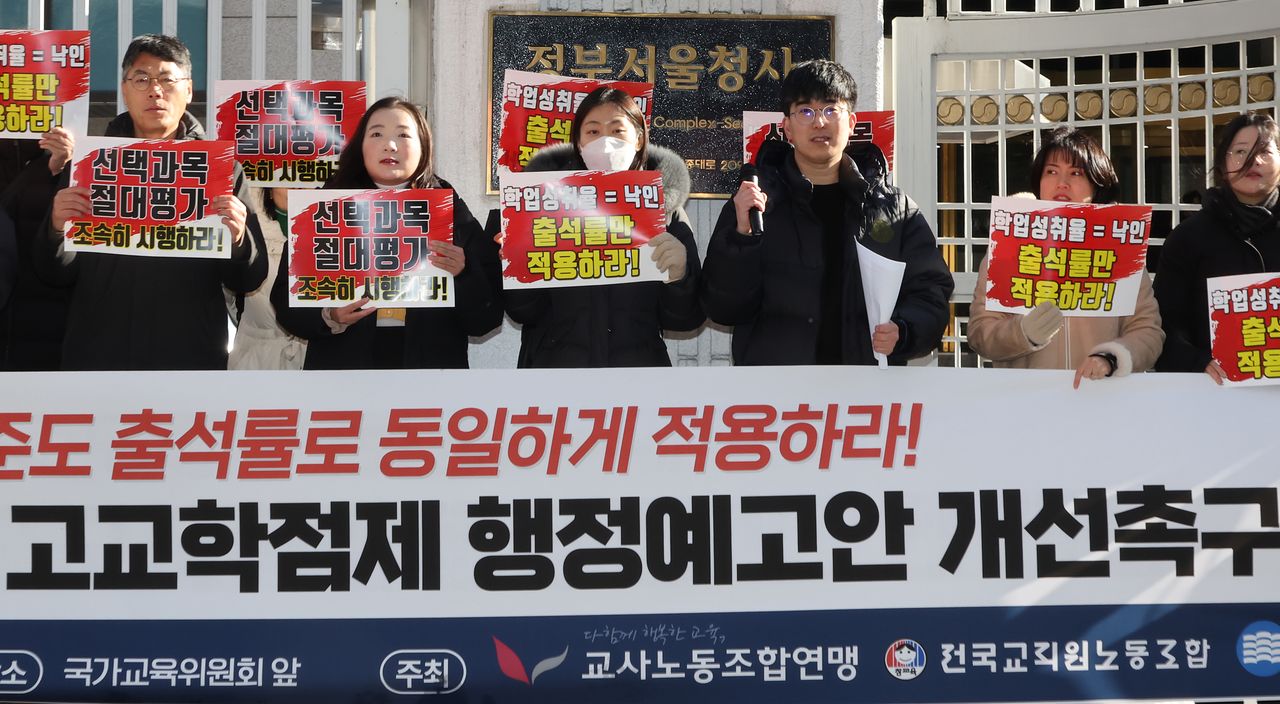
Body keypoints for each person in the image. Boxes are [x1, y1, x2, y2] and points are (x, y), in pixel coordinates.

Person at [700, 60, 953, 366]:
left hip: (866, 385)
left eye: (831, 110)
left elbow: (930, 291)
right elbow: (723, 308)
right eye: (806, 111)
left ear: (852, 123)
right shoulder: (755, 204)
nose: (819, 122)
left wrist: (905, 330)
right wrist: (742, 238)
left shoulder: (893, 208)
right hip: (776, 386)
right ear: (787, 128)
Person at [38, 34, 265, 370]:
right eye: (141, 79)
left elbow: (249, 279)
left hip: (190, 356)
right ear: (124, 89)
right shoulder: (89, 165)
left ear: (189, 90)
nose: (155, 91)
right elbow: (52, 274)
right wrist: (57, 230)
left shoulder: (220, 170)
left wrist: (239, 239)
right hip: (98, 355)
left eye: (167, 80)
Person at [270, 96, 502, 369]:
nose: (390, 145)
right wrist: (329, 316)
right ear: (361, 146)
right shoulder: (326, 207)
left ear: (423, 146)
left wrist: (463, 274)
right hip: (344, 375)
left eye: (403, 135)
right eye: (377, 134)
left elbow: (486, 319)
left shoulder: (448, 209)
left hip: (430, 376)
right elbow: (285, 303)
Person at [503, 86, 702, 367]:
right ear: (578, 142)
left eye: (617, 131)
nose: (606, 143)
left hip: (639, 375)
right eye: (593, 131)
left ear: (639, 139)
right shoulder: (541, 209)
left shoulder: (666, 212)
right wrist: (519, 264)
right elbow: (524, 312)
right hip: (557, 374)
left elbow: (685, 318)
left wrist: (680, 277)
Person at [968, 127, 1164, 388]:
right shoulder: (1009, 245)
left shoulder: (1121, 249)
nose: (1062, 182)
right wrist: (1022, 333)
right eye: (1051, 172)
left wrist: (1111, 357)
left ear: (1097, 183)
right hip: (1024, 399)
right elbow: (980, 332)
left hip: (1100, 397)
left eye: (1076, 173)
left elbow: (1148, 331)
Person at [1155, 111, 1280, 384]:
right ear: (1223, 164)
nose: (1253, 160)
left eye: (1264, 151)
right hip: (1213, 391)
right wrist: (1196, 363)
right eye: (1240, 151)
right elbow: (1164, 324)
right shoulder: (1188, 237)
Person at [226, 187, 307, 369]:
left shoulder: (335, 225)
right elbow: (230, 293)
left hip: (316, 362)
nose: (296, 182)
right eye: (286, 175)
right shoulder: (245, 224)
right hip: (255, 358)